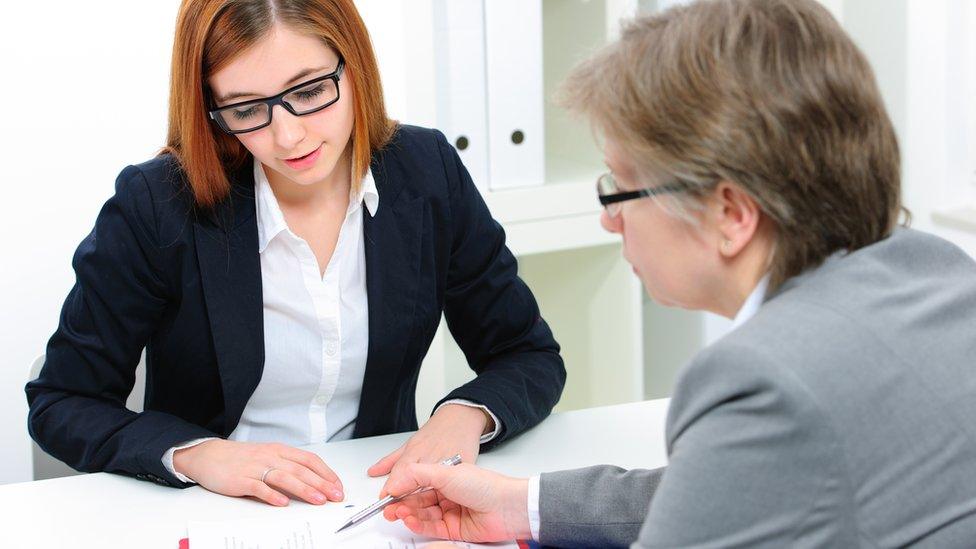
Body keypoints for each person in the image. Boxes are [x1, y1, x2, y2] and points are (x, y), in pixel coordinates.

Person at [380, 0, 976, 546]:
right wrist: (521, 506)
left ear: (731, 213)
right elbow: (740, 490)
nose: (610, 222)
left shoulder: (763, 380)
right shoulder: (933, 267)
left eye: (620, 187)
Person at [25, 0, 565, 508]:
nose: (286, 136)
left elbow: (527, 354)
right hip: (211, 509)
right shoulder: (157, 204)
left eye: (308, 92)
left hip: (372, 503)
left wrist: (463, 415)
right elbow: (64, 400)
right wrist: (200, 455)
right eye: (244, 109)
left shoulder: (427, 172)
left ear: (353, 63)